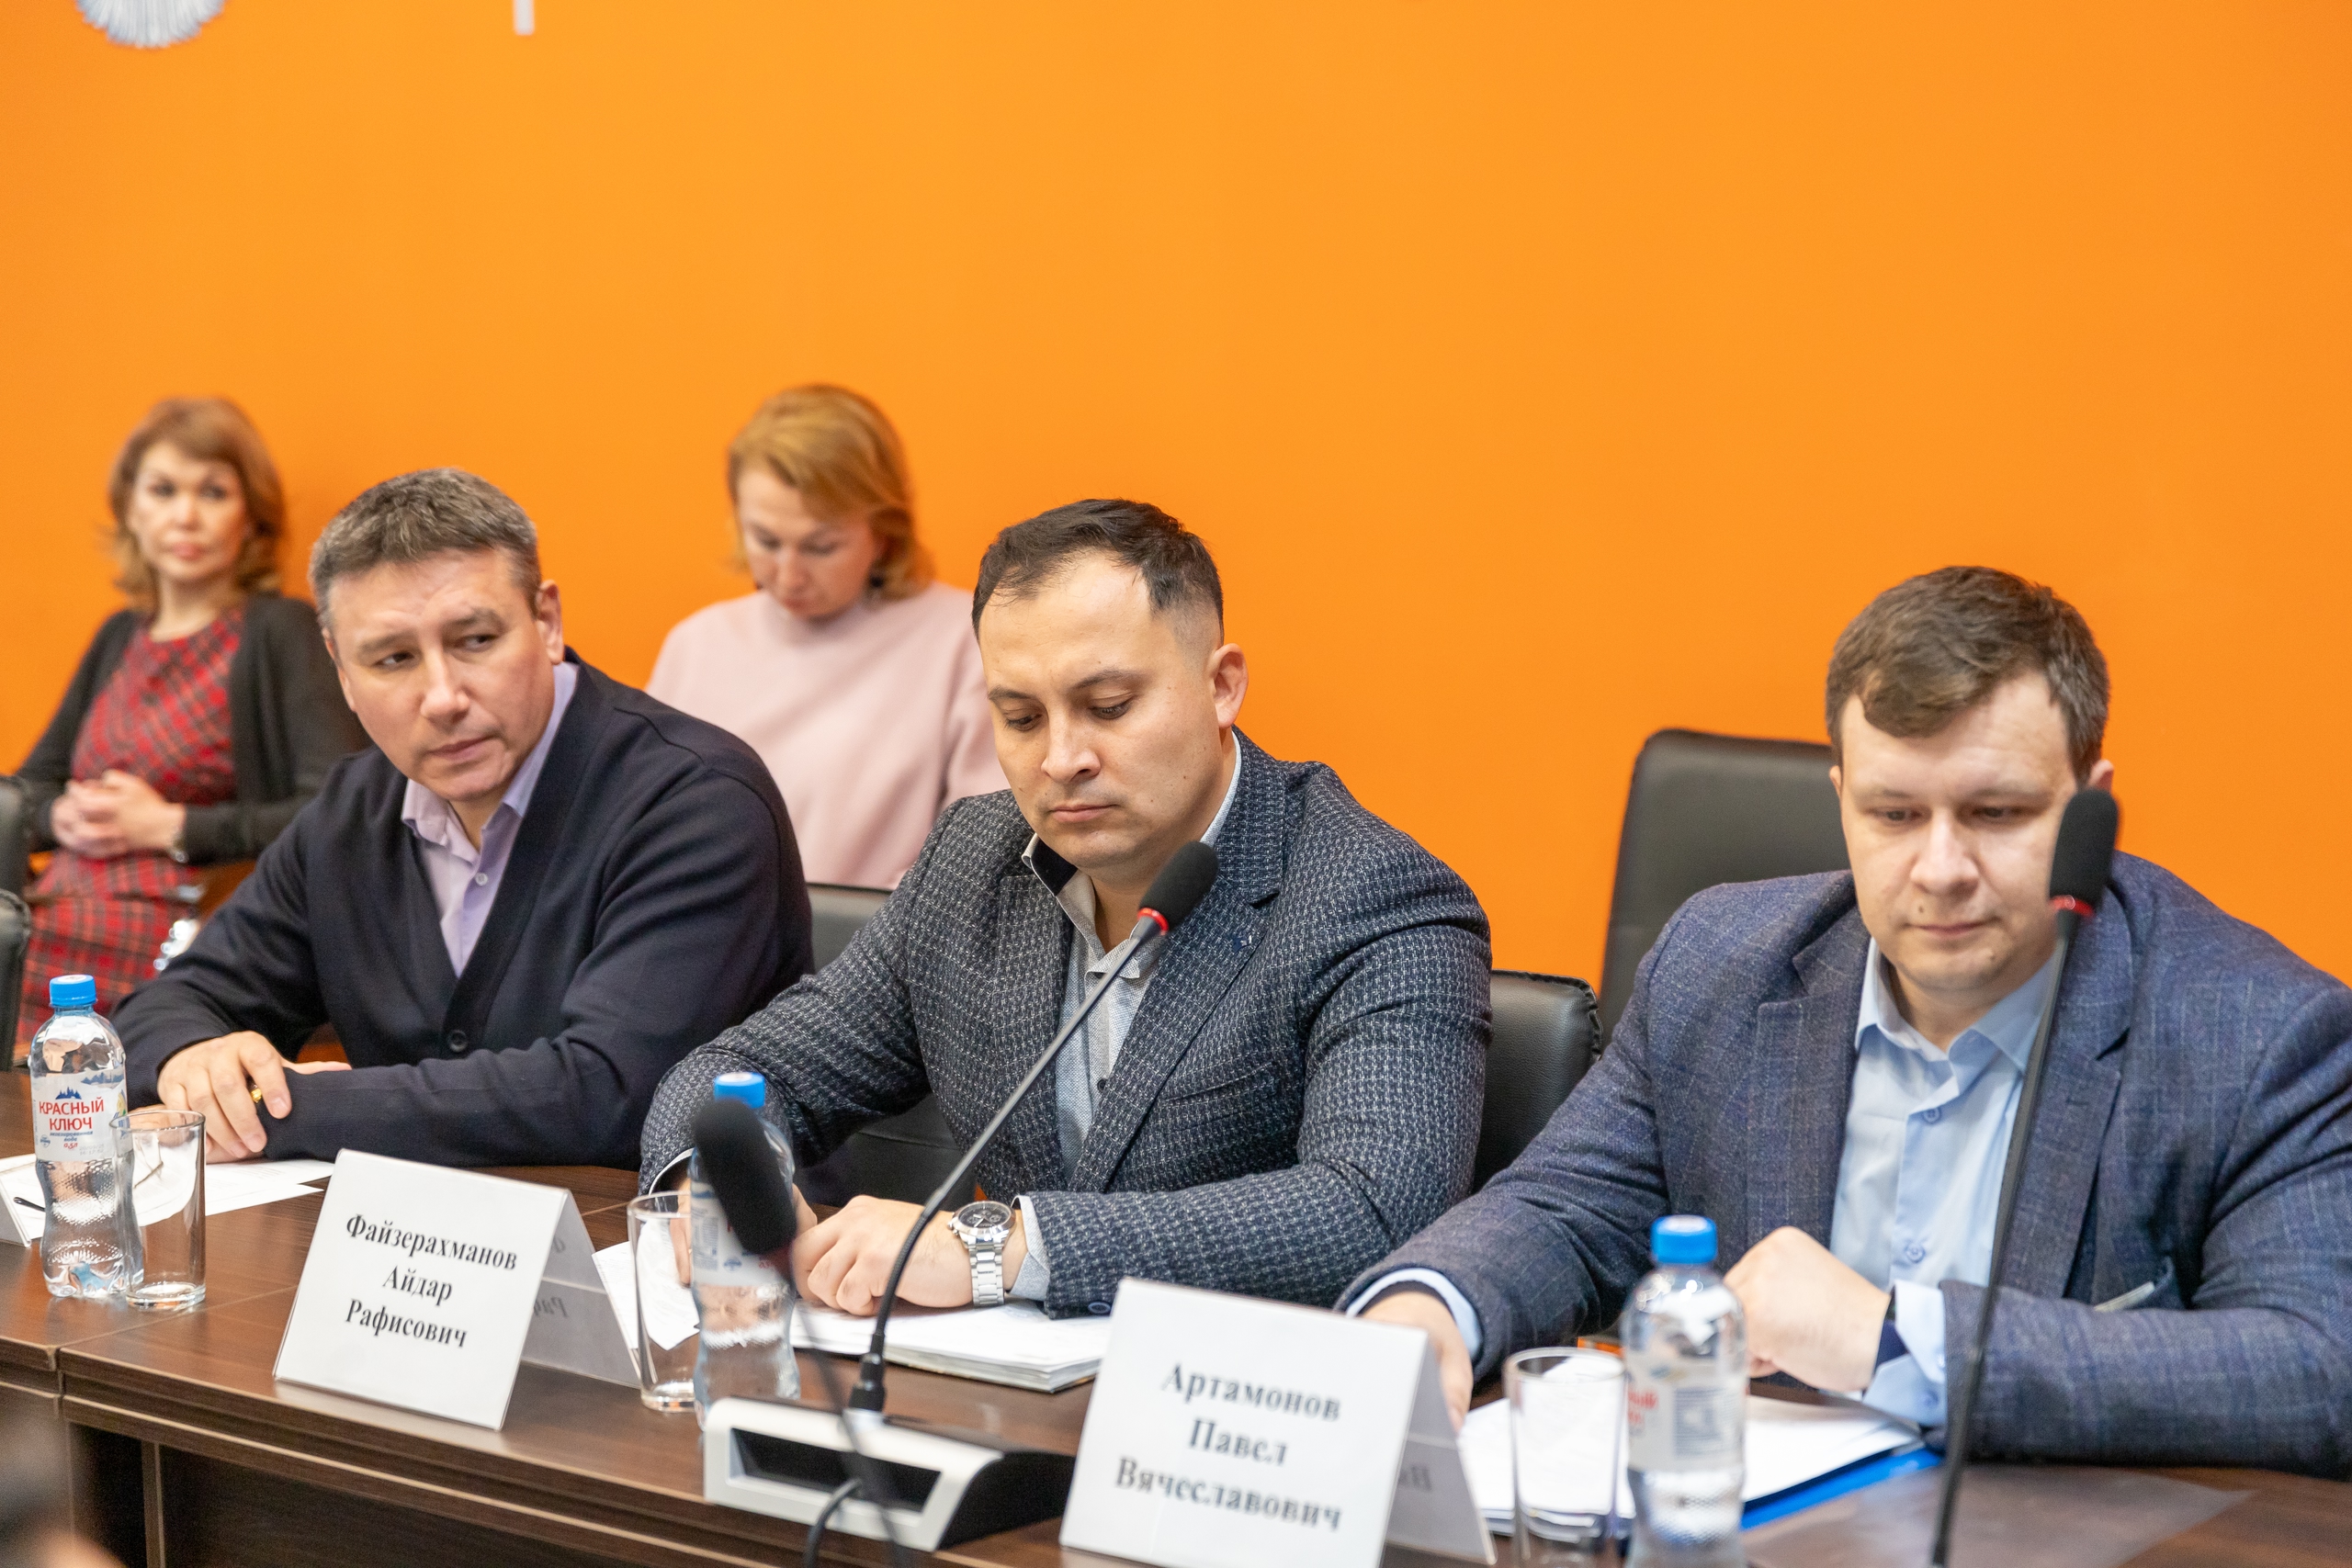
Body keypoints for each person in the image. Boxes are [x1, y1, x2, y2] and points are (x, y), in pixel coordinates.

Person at [1349, 567, 2352, 1476]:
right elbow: (1562, 1211)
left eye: (1996, 814)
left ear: (2091, 809)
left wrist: (1895, 1339)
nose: (1941, 869)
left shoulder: (2258, 1035)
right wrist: (1429, 1304)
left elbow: (2320, 1368)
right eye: (1894, 814)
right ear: (1842, 799)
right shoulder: (1719, 967)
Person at [638, 500, 1490, 1318]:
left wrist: (999, 1247)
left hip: (1238, 1399)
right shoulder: (972, 859)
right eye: (1020, 717)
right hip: (1003, 1391)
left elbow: (1371, 1210)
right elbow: (749, 1069)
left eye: (1108, 707)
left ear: (1223, 685)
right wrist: (711, 1181)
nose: (1062, 758)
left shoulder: (1370, 894)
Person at [114, 469, 812, 1168]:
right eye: (393, 658)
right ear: (342, 673)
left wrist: (286, 1108)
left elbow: (610, 1095)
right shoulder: (349, 813)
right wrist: (194, 1061)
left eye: (475, 640)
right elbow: (165, 1008)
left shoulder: (695, 800)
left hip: (679, 1230)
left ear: (546, 621)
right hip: (408, 1234)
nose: (443, 697)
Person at [13, 397, 364, 1052]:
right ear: (131, 509)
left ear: (250, 517)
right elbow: (23, 794)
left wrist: (171, 826)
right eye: (164, 490)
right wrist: (60, 815)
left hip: (188, 924)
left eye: (213, 492)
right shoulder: (120, 636)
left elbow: (339, 808)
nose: (186, 515)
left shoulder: (281, 630)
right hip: (60, 901)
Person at [647, 386, 1003, 887]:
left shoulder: (965, 640)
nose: (788, 576)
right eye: (765, 540)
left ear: (884, 532)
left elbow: (984, 848)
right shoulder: (697, 645)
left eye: (821, 547)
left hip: (886, 931)